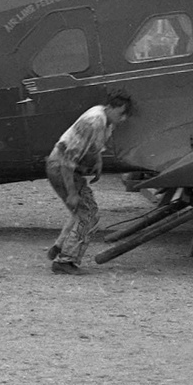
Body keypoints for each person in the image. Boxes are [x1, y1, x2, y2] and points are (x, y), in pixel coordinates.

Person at [45, 93, 133, 274]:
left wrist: (98, 161)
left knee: (82, 211)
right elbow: (68, 160)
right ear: (111, 108)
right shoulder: (93, 122)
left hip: (66, 168)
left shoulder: (105, 120)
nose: (123, 119)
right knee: (89, 216)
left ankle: (61, 247)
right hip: (62, 168)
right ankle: (65, 261)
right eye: (121, 113)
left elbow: (93, 146)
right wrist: (71, 192)